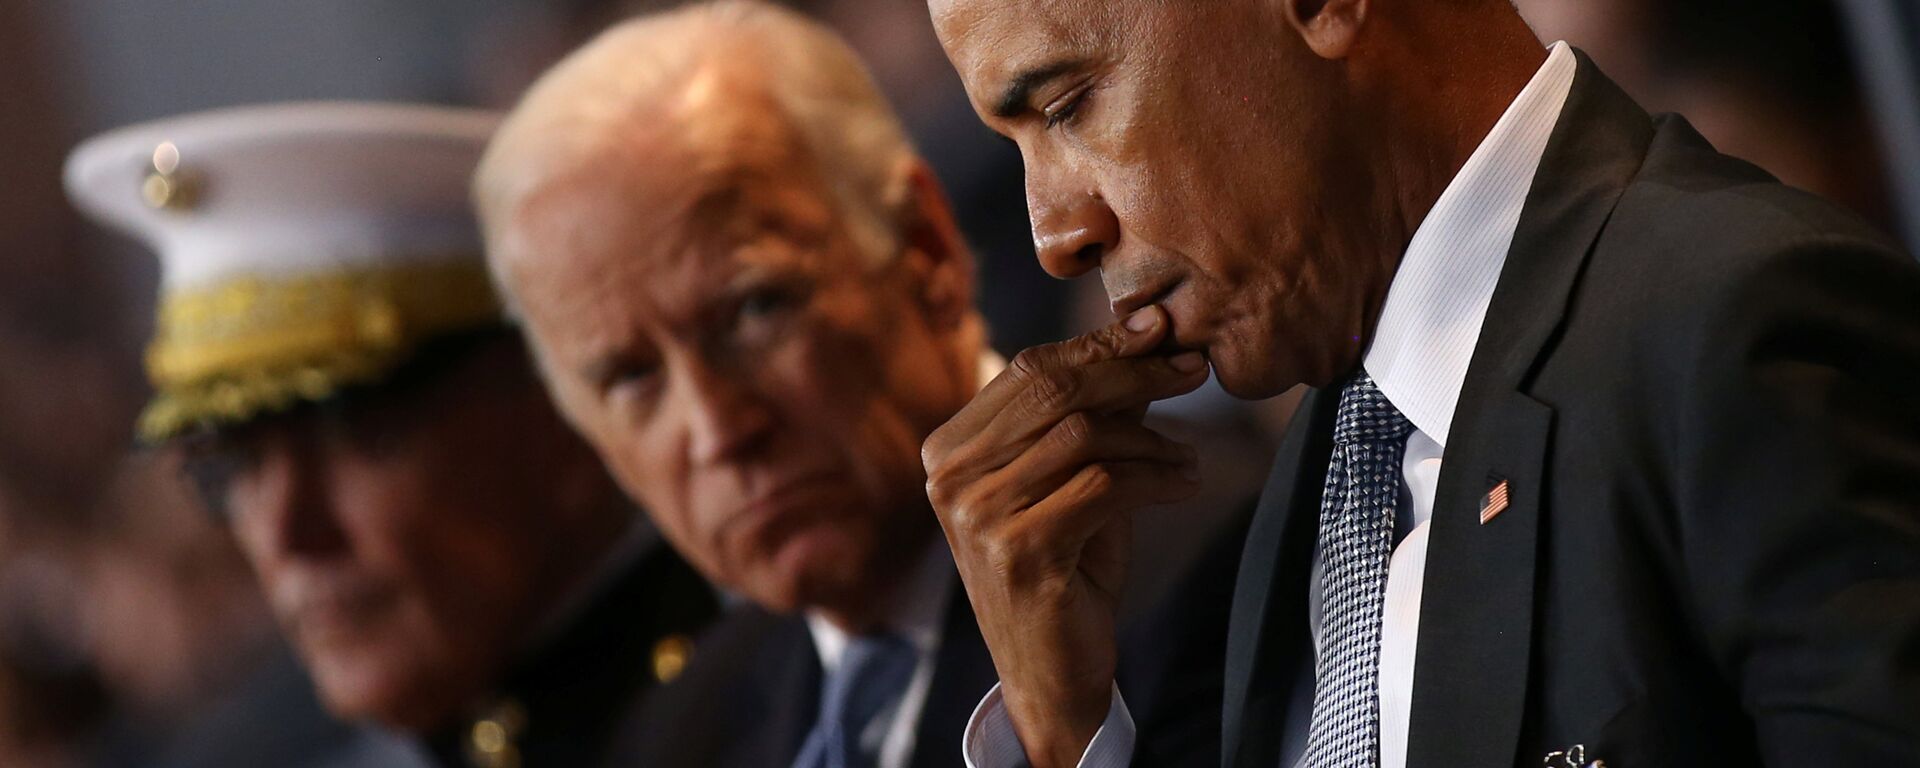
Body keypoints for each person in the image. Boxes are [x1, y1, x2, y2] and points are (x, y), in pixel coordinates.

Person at [914, 0, 1920, 767]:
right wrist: (1061, 727)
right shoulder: (1333, 464)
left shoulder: (1740, 319)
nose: (1054, 232)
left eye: (1069, 105)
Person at [472, 3, 1244, 766]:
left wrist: (1059, 731)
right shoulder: (679, 731)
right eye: (632, 376)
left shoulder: (1214, 567)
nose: (717, 429)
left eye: (754, 309)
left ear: (925, 249)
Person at [64, 102, 718, 768]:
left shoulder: (791, 709)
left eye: (361, 438)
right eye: (236, 464)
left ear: (562, 409)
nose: (288, 534)